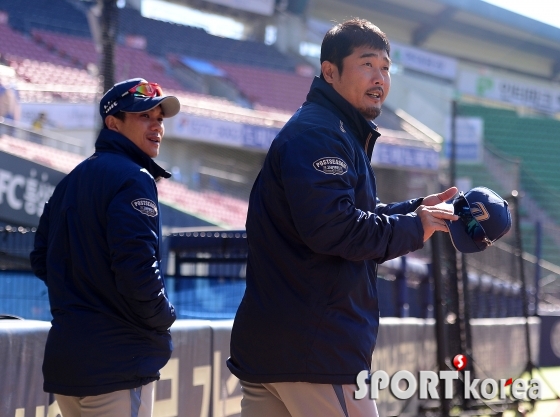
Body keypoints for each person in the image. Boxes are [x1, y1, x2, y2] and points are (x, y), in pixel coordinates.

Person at [226, 19, 458, 417]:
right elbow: (334, 229)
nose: (380, 77)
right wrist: (414, 226)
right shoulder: (320, 132)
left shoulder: (332, 129)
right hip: (315, 352)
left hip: (278, 352)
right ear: (329, 72)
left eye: (386, 67)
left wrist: (415, 211)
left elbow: (347, 218)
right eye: (367, 64)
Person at [30, 78, 181, 417]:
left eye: (159, 118)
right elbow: (137, 270)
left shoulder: (70, 180)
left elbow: (42, 260)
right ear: (114, 122)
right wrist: (165, 317)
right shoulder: (134, 178)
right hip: (118, 366)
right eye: (144, 116)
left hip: (69, 365)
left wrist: (84, 297)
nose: (157, 125)